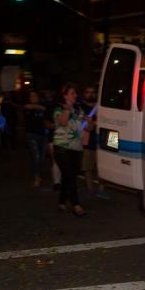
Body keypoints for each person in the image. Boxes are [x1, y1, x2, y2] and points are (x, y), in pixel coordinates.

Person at [53, 83, 91, 216]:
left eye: (75, 93)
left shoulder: (79, 110)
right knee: (69, 176)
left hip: (77, 148)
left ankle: (62, 202)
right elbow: (62, 122)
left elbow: (88, 128)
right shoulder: (59, 108)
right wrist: (67, 110)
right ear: (65, 96)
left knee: (69, 176)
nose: (75, 95)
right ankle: (76, 205)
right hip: (62, 147)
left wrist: (89, 122)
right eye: (72, 93)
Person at [23, 90, 50, 187]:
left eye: (35, 95)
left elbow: (48, 112)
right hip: (31, 134)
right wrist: (41, 107)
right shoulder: (27, 106)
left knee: (42, 157)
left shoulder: (44, 105)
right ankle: (37, 177)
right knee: (36, 156)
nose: (33, 97)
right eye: (31, 96)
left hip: (43, 134)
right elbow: (27, 106)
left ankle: (37, 172)